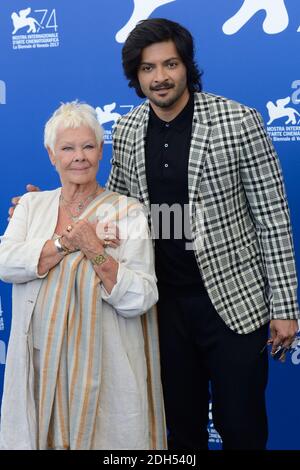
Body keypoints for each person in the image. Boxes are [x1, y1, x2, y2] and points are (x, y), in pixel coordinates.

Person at [7, 19, 299, 450]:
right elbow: (114, 207)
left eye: (170, 64)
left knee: (241, 426)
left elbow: (273, 217)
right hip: (161, 307)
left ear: (186, 67)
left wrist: (286, 307)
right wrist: (46, 204)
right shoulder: (126, 130)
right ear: (136, 76)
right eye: (147, 68)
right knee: (179, 430)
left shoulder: (239, 120)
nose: (160, 77)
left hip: (234, 302)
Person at [0, 101, 166, 450]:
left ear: (101, 151)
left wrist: (94, 248)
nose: (79, 156)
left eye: (88, 146)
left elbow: (142, 295)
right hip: (41, 364)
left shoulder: (127, 212)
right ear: (51, 155)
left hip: (103, 367)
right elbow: (6, 262)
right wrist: (64, 243)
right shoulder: (32, 206)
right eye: (68, 148)